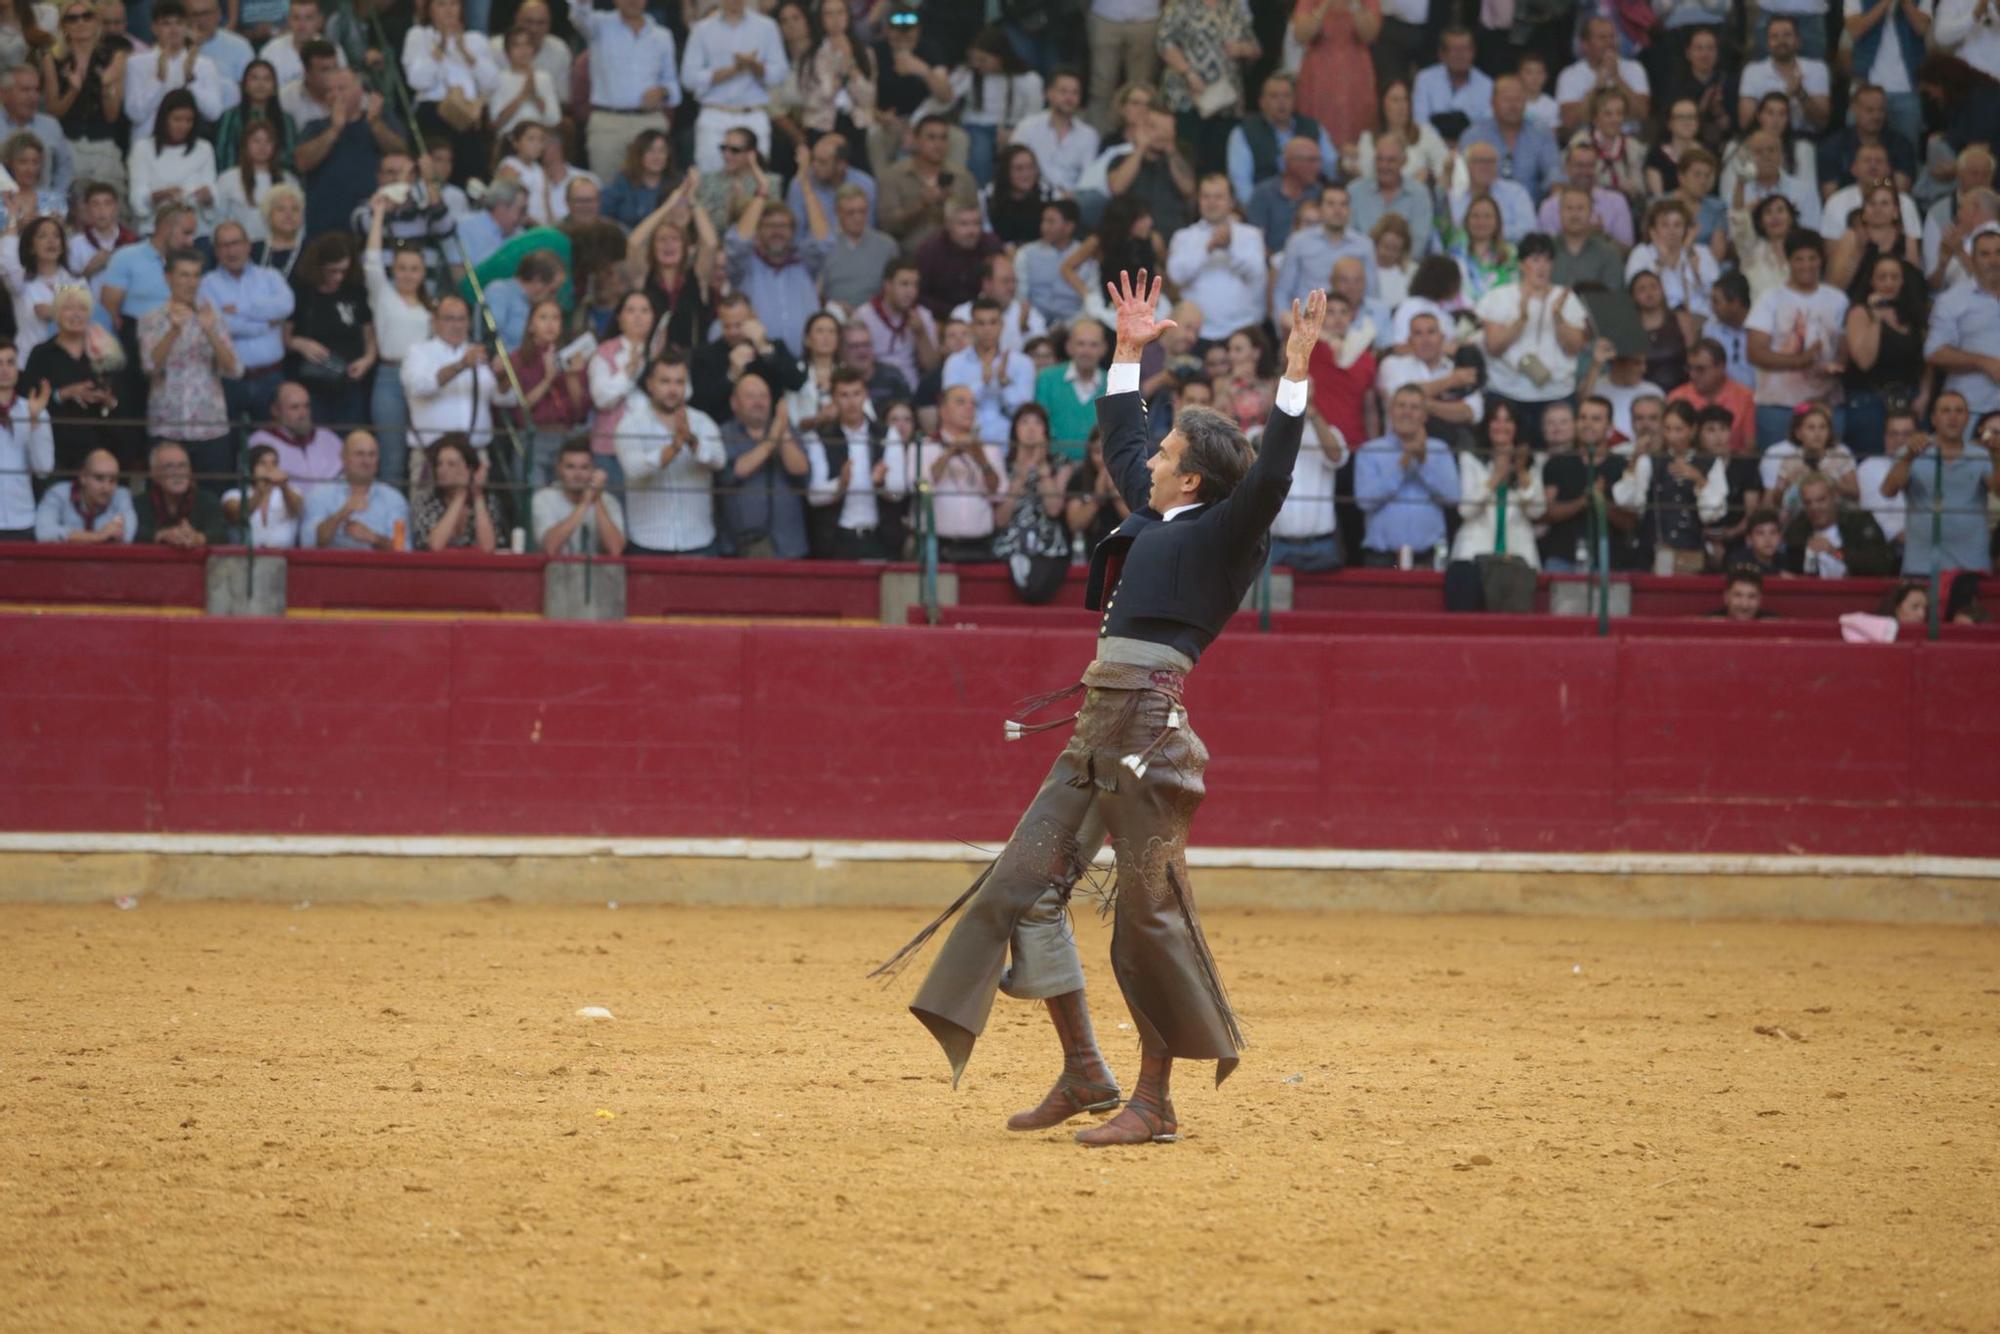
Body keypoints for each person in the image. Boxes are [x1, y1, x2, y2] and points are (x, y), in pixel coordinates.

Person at [874, 273, 1322, 1148]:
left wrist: (1294, 378)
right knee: (1022, 890)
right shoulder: (1161, 519)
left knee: (1145, 916)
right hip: (1096, 730)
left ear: (1191, 474)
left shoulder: (1228, 529)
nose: (1147, 459)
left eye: (1165, 454)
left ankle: (1156, 1102)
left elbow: (1269, 472)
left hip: (1147, 735)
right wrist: (1127, 352)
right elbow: (1124, 433)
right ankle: (1086, 1070)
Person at [139, 247, 239, 492]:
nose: (191, 282)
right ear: (168, 278)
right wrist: (173, 330)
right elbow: (150, 366)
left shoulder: (212, 317)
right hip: (167, 424)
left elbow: (234, 369)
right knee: (164, 498)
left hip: (210, 425)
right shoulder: (151, 319)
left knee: (214, 497)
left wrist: (209, 331)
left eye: (196, 275)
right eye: (184, 275)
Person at [1476, 233, 1587, 445]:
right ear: (1521, 264)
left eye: (1547, 260)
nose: (1542, 267)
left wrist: (1557, 317)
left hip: (1556, 394)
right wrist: (1521, 319)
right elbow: (1494, 346)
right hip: (1506, 393)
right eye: (1535, 260)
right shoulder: (1499, 296)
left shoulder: (1566, 298)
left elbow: (1574, 348)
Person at [617, 352, 728, 555]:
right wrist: (674, 447)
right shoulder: (630, 424)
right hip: (648, 542)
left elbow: (720, 461)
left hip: (698, 540)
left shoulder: (702, 422)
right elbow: (634, 470)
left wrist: (692, 442)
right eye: (665, 381)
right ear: (650, 384)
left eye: (679, 382)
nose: (672, 389)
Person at [1746, 233, 1850, 447]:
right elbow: (1755, 352)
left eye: (1812, 258)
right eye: (1799, 259)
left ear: (1821, 260)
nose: (1807, 265)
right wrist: (1801, 360)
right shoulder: (1770, 298)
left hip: (1826, 406)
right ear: (1789, 261)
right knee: (1778, 473)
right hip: (1778, 406)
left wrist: (1836, 365)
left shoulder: (1838, 299)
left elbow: (1843, 349)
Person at [1881, 394, 1993, 575]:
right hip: (1920, 565)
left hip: (1971, 566)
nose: (1953, 417)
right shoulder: (1911, 451)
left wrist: (1997, 454)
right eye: (1946, 411)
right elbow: (1888, 490)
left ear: (1967, 419)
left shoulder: (1981, 455)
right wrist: (1909, 456)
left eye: (1959, 411)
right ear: (1933, 418)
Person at [1354, 383, 1461, 564]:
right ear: (1391, 412)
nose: (1407, 412)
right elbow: (1365, 501)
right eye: (1401, 406)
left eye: (1414, 407)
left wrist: (1423, 462)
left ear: (1425, 415)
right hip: (1382, 558)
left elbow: (1453, 497)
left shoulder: (1440, 450)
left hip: (1429, 558)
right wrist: (1404, 463)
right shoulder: (1369, 451)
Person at [199, 220, 291, 430]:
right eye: (224, 245)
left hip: (271, 378)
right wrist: (264, 324)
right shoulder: (206, 284)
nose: (231, 251)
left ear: (248, 245)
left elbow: (286, 306)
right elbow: (219, 325)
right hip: (228, 382)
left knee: (272, 445)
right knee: (228, 448)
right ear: (216, 251)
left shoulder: (271, 277)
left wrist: (240, 309)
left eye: (236, 243)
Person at [681, 0, 789, 174]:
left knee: (756, 179)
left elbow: (779, 74)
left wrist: (754, 66)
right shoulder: (702, 29)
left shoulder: (766, 27)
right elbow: (689, 78)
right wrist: (732, 71)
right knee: (710, 180)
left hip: (753, 114)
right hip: (715, 114)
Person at [27, 285, 125, 474]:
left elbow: (122, 401)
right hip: (56, 452)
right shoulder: (41, 354)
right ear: (56, 313)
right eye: (68, 308)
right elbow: (28, 399)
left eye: (82, 309)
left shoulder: (106, 352)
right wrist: (63, 394)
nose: (76, 314)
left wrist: (108, 401)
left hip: (100, 450)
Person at [1156, 0, 1260, 174]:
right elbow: (1164, 43)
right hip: (1187, 97)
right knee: (1188, 156)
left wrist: (1241, 49)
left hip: (1226, 101)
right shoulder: (1179, 6)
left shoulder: (1232, 7)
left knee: (1219, 160)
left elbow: (1255, 48)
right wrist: (1187, 72)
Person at [45, 1, 130, 203]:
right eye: (72, 18)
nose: (80, 22)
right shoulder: (53, 60)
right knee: (70, 206)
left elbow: (112, 115)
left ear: (96, 21)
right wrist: (73, 90)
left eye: (86, 16)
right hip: (68, 142)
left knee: (107, 205)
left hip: (104, 143)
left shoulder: (114, 57)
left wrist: (105, 86)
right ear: (63, 25)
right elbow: (53, 110)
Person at [1164, 174, 1265, 342]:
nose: (1211, 202)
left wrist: (1230, 249)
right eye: (1206, 196)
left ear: (1232, 201)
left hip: (1242, 330)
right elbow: (1176, 276)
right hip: (1196, 333)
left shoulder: (1250, 235)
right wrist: (1207, 250)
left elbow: (1257, 273)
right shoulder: (1183, 237)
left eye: (1218, 197)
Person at [401, 295, 496, 465]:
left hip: (474, 454)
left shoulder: (479, 354)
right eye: (449, 319)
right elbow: (419, 386)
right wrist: (461, 365)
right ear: (434, 322)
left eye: (462, 319)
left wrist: (503, 375)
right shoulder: (418, 352)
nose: (457, 325)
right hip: (430, 455)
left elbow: (500, 398)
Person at [1223, 70, 1337, 206]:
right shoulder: (1244, 132)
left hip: (1310, 205)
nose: (1281, 102)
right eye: (1274, 96)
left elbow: (1332, 168)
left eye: (1287, 96)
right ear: (1262, 102)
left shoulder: (1313, 128)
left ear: (1294, 100)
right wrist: (1255, 210)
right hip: (1265, 206)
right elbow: (1240, 183)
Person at [1452, 401, 1543, 567]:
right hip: (1474, 552)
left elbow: (1537, 512)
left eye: (1508, 420)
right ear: (1487, 425)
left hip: (1519, 555)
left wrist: (1521, 471)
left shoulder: (1531, 461)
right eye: (1496, 420)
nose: (1502, 426)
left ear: (1516, 426)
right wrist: (1497, 475)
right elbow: (1465, 511)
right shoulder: (1471, 459)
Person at [1925, 230, 2000, 421]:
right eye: (1985, 254)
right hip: (1969, 410)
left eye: (1999, 252)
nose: (1994, 260)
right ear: (1972, 260)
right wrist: (1984, 363)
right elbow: (1934, 352)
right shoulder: (1951, 300)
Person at [941, 297, 1035, 447]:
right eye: (981, 323)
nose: (987, 329)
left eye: (993, 322)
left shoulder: (1022, 363)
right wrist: (983, 383)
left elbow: (1024, 413)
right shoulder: (955, 362)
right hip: (965, 443)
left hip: (1010, 445)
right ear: (971, 326)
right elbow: (952, 410)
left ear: (1002, 325)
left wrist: (1005, 385)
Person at [123, 0, 225, 138]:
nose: (174, 29)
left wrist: (190, 78)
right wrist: (158, 80)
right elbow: (135, 114)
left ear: (187, 27)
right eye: (166, 23)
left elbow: (213, 113)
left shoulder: (204, 65)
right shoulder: (136, 63)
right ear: (154, 28)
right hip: (146, 145)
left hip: (188, 147)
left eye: (179, 23)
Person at [301, 429, 409, 550]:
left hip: (377, 568)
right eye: (359, 454)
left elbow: (404, 549)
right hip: (332, 567)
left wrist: (374, 538)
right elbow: (308, 543)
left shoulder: (394, 499)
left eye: (372, 454)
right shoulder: (319, 495)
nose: (366, 461)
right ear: (343, 457)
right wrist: (342, 514)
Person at [1779, 469, 1895, 576]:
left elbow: (1879, 564)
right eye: (1808, 502)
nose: (1815, 507)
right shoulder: (1796, 530)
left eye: (1821, 500)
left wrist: (1835, 552)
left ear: (1835, 497)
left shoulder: (1859, 522)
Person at [1012, 67, 1098, 196]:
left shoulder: (1089, 135)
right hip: (1032, 196)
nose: (1069, 98)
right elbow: (1012, 166)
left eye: (1075, 93)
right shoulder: (1027, 127)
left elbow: (1088, 178)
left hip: (1070, 202)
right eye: (1063, 92)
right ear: (1049, 93)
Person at [532, 437, 627, 556]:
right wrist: (584, 504)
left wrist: (596, 500)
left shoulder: (608, 501)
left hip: (598, 572)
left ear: (593, 470)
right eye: (570, 467)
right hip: (555, 571)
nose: (578, 475)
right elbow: (550, 547)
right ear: (559, 469)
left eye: (584, 467)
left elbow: (615, 549)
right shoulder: (543, 498)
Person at [1736, 16, 1830, 134]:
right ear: (1767, 43)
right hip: (1763, 136)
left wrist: (1801, 94)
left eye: (1787, 35)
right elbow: (1745, 123)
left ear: (1798, 40)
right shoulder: (1752, 70)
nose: (1781, 41)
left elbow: (1821, 123)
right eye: (1775, 36)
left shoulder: (1817, 68)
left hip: (1803, 137)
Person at [1667, 337, 1755, 457]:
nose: (1692, 375)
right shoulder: (1677, 397)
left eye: (1700, 369)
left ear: (1721, 367)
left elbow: (1749, 447)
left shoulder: (1744, 397)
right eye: (1689, 368)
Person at [1035, 319, 1108, 459]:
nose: (1086, 351)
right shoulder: (1047, 379)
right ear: (1069, 347)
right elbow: (1040, 428)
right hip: (1054, 465)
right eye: (1081, 344)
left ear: (1103, 349)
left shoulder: (1114, 383)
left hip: (1100, 468)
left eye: (1093, 345)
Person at [246, 380, 343, 485]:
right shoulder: (259, 441)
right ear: (275, 410)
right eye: (294, 407)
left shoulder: (328, 437)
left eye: (306, 406)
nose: (303, 414)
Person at [132, 438, 227, 544]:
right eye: (169, 467)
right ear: (154, 474)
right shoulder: (139, 504)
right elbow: (133, 532)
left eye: (183, 466)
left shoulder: (207, 500)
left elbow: (221, 534)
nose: (178, 473)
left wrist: (197, 537)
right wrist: (162, 535)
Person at [0, 349, 52, 539]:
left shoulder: (34, 411)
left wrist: (33, 420)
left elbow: (43, 469)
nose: (4, 369)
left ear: (17, 369)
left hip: (22, 518)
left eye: (10, 362)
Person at [34, 445, 136, 542]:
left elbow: (128, 535)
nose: (106, 488)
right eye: (99, 478)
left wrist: (75, 537)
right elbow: (44, 533)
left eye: (112, 480)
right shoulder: (58, 494)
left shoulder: (121, 495)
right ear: (83, 477)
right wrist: (98, 536)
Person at [221, 441, 305, 547]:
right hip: (244, 559)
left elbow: (297, 510)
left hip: (283, 558)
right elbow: (237, 516)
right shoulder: (233, 495)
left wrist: (284, 486)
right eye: (262, 463)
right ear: (250, 468)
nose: (270, 468)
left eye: (274, 463)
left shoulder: (291, 491)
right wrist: (261, 490)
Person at [1411, 25, 1491, 128]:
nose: (1460, 55)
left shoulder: (1487, 85)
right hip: (1431, 142)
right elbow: (1420, 122)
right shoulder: (1425, 79)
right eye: (1454, 49)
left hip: (1472, 143)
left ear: (1473, 52)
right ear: (1441, 54)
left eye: (1465, 49)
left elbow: (1486, 126)